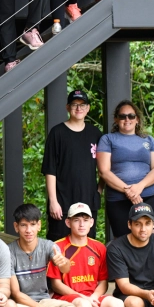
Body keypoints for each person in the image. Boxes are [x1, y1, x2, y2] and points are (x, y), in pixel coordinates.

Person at [48, 203, 128, 307]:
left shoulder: (99, 248)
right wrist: (84, 298)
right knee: (83, 305)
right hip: (67, 299)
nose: (81, 224)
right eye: (77, 220)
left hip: (93, 299)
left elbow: (103, 281)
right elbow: (56, 284)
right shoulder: (57, 247)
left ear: (91, 222)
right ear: (68, 222)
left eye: (85, 219)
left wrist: (93, 298)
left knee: (118, 305)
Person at [8, 204, 79, 307]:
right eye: (23, 225)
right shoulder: (8, 252)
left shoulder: (48, 246)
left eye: (33, 225)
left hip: (44, 299)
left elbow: (65, 268)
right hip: (21, 303)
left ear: (39, 225)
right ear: (16, 227)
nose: (29, 230)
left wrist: (63, 262)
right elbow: (15, 293)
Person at [42, 90, 102, 241]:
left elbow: (105, 167)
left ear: (88, 108)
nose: (78, 108)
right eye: (74, 104)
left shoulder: (95, 134)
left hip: (88, 197)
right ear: (67, 107)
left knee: (87, 242)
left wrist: (99, 191)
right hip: (62, 199)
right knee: (59, 242)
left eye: (82, 105)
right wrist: (53, 201)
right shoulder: (57, 133)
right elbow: (50, 170)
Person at [97, 100, 154, 239]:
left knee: (149, 240)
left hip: (148, 196)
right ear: (116, 119)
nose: (127, 119)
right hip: (118, 199)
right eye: (122, 116)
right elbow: (104, 171)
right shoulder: (108, 139)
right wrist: (129, 191)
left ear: (137, 119)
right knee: (123, 243)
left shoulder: (149, 140)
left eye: (131, 116)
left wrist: (139, 187)